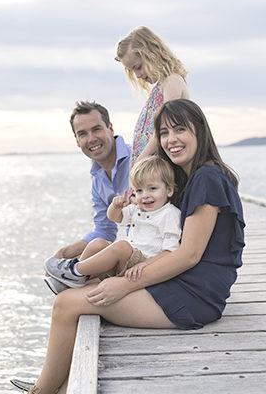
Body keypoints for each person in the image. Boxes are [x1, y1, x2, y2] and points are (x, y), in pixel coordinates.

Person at [11, 99, 245, 394]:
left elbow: (189, 255)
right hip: (182, 283)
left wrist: (124, 285)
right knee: (86, 283)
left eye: (180, 130)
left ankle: (41, 392)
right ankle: (61, 384)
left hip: (194, 296)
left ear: (199, 130)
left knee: (66, 303)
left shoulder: (207, 178)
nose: (171, 140)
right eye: (163, 133)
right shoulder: (193, 176)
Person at [44, 156, 182, 292]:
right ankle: (74, 279)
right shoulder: (137, 209)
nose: (145, 195)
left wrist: (145, 265)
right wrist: (115, 207)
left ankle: (74, 270)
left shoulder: (170, 214)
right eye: (139, 190)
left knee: (122, 246)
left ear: (169, 190)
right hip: (126, 260)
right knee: (98, 243)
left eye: (152, 188)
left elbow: (170, 252)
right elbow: (114, 217)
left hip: (146, 265)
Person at [44, 101, 131, 294]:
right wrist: (64, 253)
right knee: (96, 247)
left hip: (151, 252)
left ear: (110, 128)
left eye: (96, 129)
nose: (91, 139)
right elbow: (104, 230)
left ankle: (68, 280)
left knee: (72, 293)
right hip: (130, 251)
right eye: (82, 134)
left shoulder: (138, 159)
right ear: (77, 141)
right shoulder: (97, 179)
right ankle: (69, 278)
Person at [115, 26, 189, 166]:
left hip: (159, 167)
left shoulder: (172, 81)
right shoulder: (160, 86)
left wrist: (140, 161)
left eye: (138, 67)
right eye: (132, 71)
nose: (137, 75)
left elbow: (166, 127)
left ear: (153, 55)